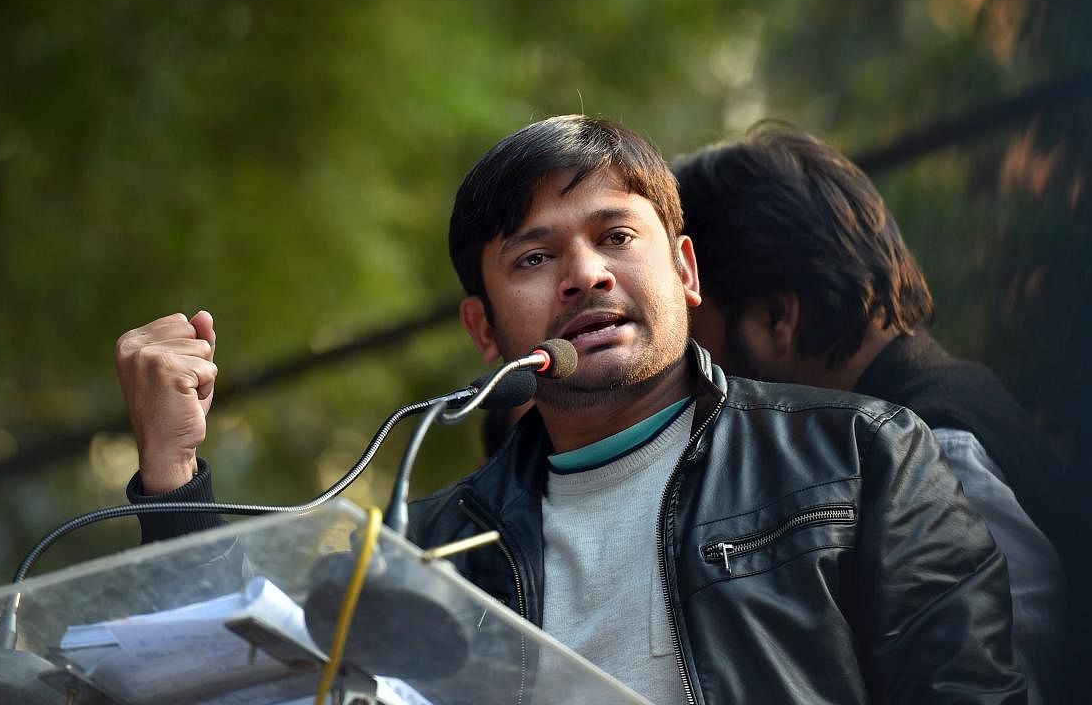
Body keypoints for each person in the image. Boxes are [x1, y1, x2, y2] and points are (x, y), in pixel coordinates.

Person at [116, 115, 1025, 704]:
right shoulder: (420, 556)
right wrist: (171, 471)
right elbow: (232, 685)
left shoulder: (864, 455)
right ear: (484, 327)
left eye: (617, 237)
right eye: (534, 259)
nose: (586, 273)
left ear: (685, 271)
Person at [671, 122, 1063, 704]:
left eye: (696, 338)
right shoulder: (906, 426)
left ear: (776, 318)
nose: (693, 374)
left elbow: (1022, 682)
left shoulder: (941, 448)